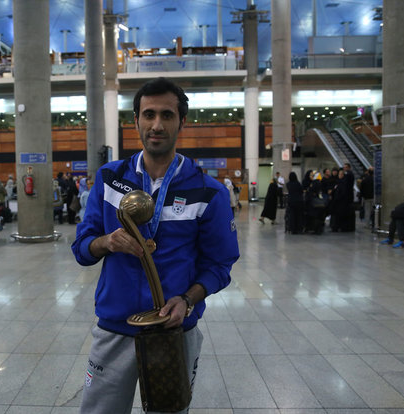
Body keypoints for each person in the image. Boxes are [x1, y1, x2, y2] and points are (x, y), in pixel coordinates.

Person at [72, 77, 240, 414]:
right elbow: (81, 248)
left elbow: (220, 266)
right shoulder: (109, 179)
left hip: (173, 332)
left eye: (167, 115)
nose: (157, 125)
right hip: (114, 329)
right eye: (148, 115)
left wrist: (187, 301)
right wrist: (106, 242)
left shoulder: (208, 192)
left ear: (182, 121)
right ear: (135, 121)